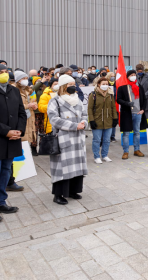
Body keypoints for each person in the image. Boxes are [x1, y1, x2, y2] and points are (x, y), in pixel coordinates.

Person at [47, 74, 88, 205]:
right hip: (64, 138)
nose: (73, 87)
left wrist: (84, 123)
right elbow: (54, 120)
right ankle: (58, 194)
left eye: (73, 85)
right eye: (70, 85)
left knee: (76, 165)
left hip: (78, 139)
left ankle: (73, 190)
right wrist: (75, 126)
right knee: (62, 167)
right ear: (64, 86)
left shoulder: (78, 100)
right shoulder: (55, 101)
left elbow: (85, 115)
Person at [0, 63, 26, 222]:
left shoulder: (14, 90)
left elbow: (22, 113)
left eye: (5, 71)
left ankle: (1, 202)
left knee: (6, 171)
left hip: (13, 139)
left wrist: (19, 131)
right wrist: (6, 131)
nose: (4, 74)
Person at [117, 70, 148, 160]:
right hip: (127, 113)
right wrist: (127, 103)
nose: (133, 76)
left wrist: (142, 109)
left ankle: (136, 149)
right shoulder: (122, 87)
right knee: (126, 133)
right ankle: (126, 151)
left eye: (134, 75)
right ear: (127, 77)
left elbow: (144, 99)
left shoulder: (139, 87)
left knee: (137, 132)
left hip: (138, 113)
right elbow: (118, 99)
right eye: (131, 75)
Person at [88, 77, 117, 164]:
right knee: (96, 140)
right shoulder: (93, 95)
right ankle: (96, 156)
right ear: (99, 84)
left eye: (106, 84)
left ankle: (104, 155)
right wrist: (91, 120)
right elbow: (89, 109)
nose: (105, 86)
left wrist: (115, 118)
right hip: (97, 121)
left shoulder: (110, 95)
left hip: (108, 121)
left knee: (107, 140)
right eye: (103, 84)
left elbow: (113, 107)